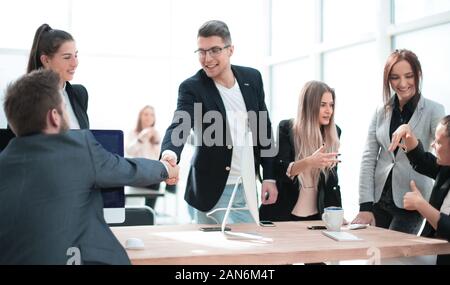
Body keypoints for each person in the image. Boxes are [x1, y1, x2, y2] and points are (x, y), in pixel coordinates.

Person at [0, 70, 178, 265]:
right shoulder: (77, 148)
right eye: (65, 107)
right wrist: (166, 169)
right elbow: (128, 169)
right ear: (54, 117)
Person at [160, 20, 278, 224]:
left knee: (250, 252)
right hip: (210, 188)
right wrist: (169, 154)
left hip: (246, 186)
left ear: (230, 50)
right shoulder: (192, 87)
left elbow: (263, 129)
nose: (207, 59)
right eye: (202, 51)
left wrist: (269, 176)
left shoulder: (252, 78)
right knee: (214, 253)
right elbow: (180, 124)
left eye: (214, 50)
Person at [353, 49, 445, 234]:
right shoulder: (381, 110)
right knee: (375, 258)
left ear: (418, 75)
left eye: (409, 76)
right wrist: (365, 204)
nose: (402, 84)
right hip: (378, 199)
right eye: (395, 77)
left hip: (411, 202)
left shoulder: (434, 110)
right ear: (388, 79)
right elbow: (369, 157)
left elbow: (442, 156)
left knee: (396, 258)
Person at [260, 81, 341, 221]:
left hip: (316, 217)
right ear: (309, 106)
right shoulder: (287, 128)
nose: (329, 110)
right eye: (323, 105)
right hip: (284, 215)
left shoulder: (334, 133)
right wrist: (309, 162)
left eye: (331, 105)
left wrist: (338, 215)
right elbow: (280, 170)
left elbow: (332, 182)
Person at [388, 115, 450, 264]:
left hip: (443, 257)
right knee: (379, 255)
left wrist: (421, 205)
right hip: (432, 249)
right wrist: (407, 131)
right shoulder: (446, 170)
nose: (433, 145)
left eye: (439, 142)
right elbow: (421, 160)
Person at [27, 23, 89, 129]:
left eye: (75, 55)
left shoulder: (79, 94)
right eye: (67, 57)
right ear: (46, 60)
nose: (75, 63)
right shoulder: (26, 98)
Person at [126, 105, 162, 208]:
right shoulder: (133, 133)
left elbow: (158, 157)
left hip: (152, 175)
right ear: (140, 116)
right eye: (146, 114)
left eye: (152, 115)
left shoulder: (157, 134)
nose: (149, 117)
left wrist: (155, 142)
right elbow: (129, 151)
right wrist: (141, 138)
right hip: (137, 174)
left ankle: (151, 217)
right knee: (133, 205)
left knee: (150, 207)